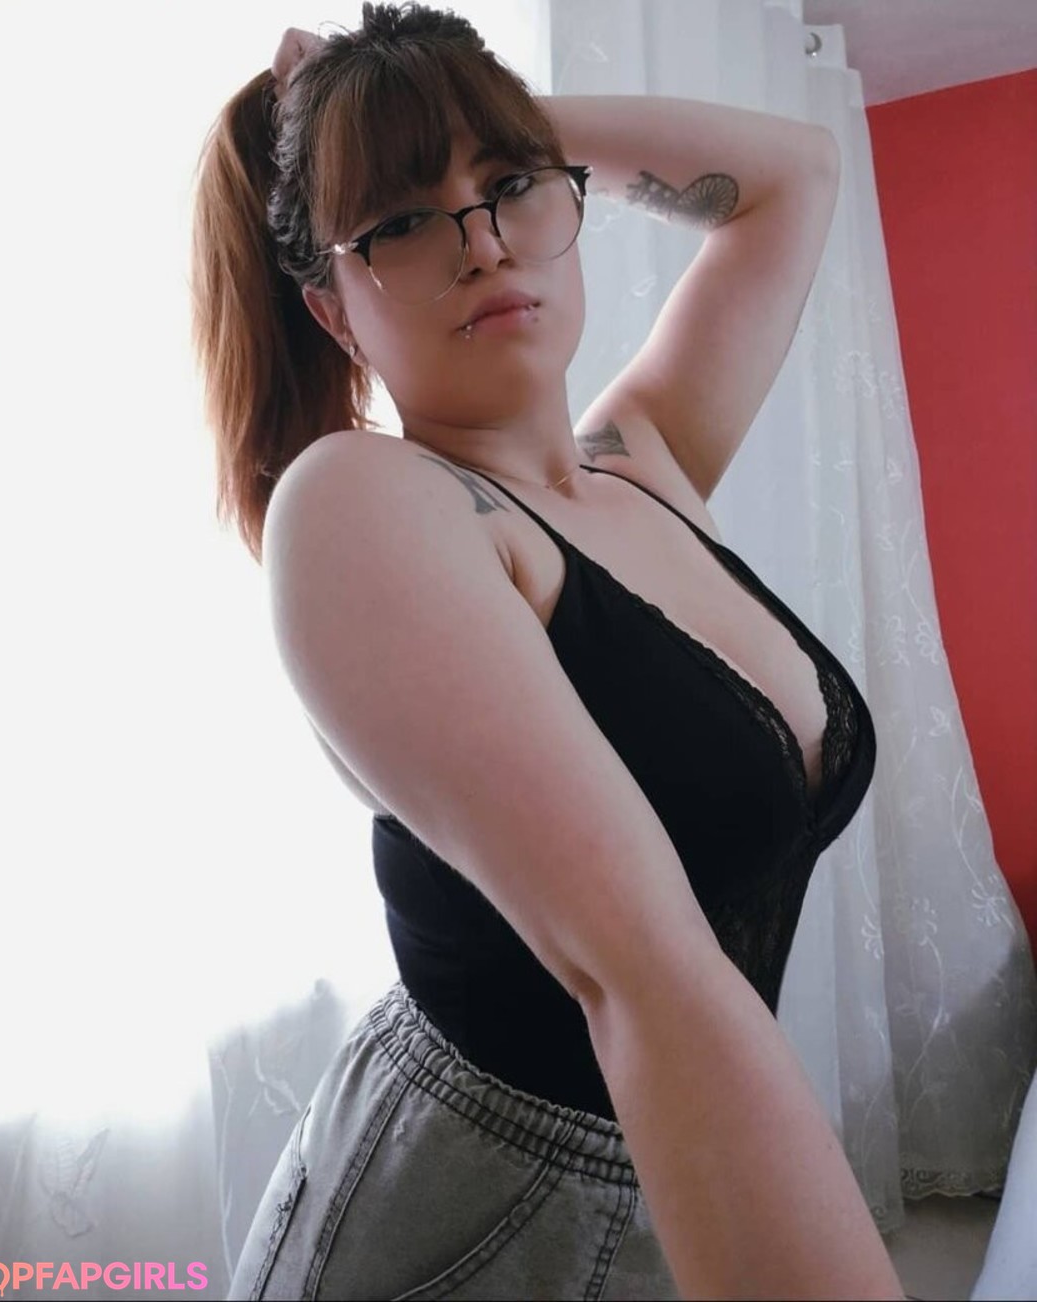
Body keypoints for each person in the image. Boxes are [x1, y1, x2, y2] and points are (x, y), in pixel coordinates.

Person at [191, 4, 907, 1298]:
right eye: (402, 219)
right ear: (334, 312)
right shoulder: (363, 502)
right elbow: (644, 977)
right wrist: (435, 131)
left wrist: (458, 110)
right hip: (473, 1222)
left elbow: (795, 175)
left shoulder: (643, 463)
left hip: (674, 1164)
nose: (481, 241)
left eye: (512, 185)